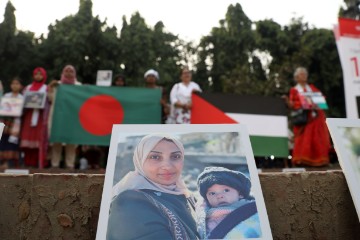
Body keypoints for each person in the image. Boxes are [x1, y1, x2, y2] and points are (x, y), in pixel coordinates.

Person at [107, 134, 199, 240]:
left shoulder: (186, 197)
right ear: (140, 161)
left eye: (175, 156)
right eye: (155, 157)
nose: (167, 166)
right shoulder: (131, 202)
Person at [196, 166, 262, 239]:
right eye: (212, 193)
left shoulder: (253, 211)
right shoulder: (203, 214)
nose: (219, 196)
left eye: (226, 190)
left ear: (240, 194)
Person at [286, 67, 331, 167]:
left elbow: (320, 100)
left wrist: (318, 102)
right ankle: (302, 160)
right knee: (303, 139)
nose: (304, 76)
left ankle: (320, 161)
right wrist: (303, 103)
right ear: (296, 77)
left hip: (316, 117)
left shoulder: (312, 88)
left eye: (305, 74)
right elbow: (293, 104)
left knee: (317, 139)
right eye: (301, 74)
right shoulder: (294, 90)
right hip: (304, 117)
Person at [48, 65, 81, 169]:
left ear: (74, 73)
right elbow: (51, 99)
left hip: (72, 118)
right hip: (59, 117)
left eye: (71, 71)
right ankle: (55, 165)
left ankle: (70, 165)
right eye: (66, 70)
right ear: (62, 72)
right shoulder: (57, 85)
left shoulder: (79, 86)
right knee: (57, 141)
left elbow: (81, 101)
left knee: (71, 142)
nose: (68, 72)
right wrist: (50, 88)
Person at [20, 67, 50, 168]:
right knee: (27, 140)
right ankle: (27, 162)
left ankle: (37, 163)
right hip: (29, 116)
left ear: (44, 76)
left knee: (38, 141)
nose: (38, 76)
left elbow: (48, 102)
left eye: (40, 74)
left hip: (40, 117)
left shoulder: (46, 88)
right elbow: (22, 102)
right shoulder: (27, 88)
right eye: (36, 74)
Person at [0, 77, 24, 168]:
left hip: (16, 123)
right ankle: (2, 162)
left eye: (17, 83)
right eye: (13, 83)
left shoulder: (22, 97)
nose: (15, 85)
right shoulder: (6, 96)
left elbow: (23, 112)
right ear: (10, 85)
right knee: (2, 141)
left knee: (12, 142)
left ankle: (9, 163)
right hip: (4, 121)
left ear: (21, 86)